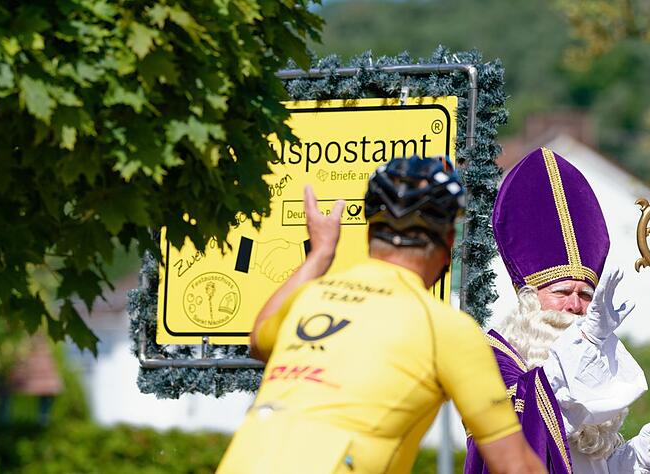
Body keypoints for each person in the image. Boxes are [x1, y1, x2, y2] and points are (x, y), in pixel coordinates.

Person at [217, 156, 545, 474]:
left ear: (368, 234)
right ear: (448, 241)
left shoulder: (314, 297)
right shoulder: (444, 328)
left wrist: (320, 254)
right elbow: (514, 466)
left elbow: (260, 338)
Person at [465, 147, 650, 474]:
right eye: (562, 291)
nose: (575, 306)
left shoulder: (590, 359)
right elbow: (522, 436)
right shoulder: (492, 359)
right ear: (528, 298)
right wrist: (589, 343)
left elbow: (590, 465)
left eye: (586, 294)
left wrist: (635, 458)